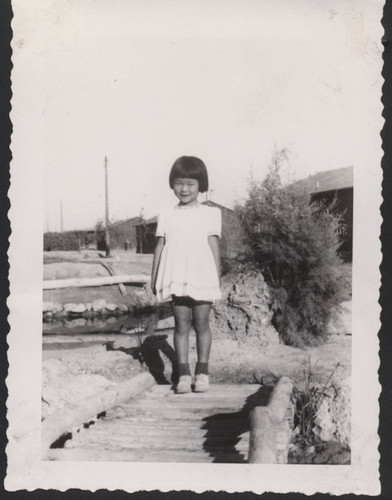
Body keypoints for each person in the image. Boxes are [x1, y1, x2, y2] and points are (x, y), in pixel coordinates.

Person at [151, 156, 221, 394]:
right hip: (176, 275)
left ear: (201, 185)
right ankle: (182, 373)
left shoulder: (211, 213)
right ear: (173, 184)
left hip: (202, 276)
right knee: (181, 324)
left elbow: (213, 247)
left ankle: (202, 371)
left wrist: (216, 278)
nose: (185, 189)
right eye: (180, 183)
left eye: (191, 184)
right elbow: (160, 247)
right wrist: (154, 278)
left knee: (201, 322)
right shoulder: (166, 215)